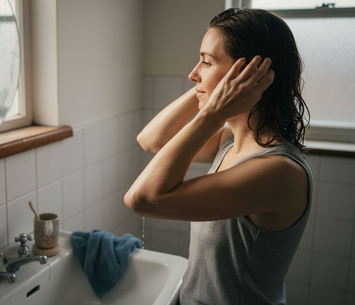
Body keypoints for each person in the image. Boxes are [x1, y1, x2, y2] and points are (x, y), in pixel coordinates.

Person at [125, 8, 312, 305]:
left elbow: (142, 199)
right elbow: (151, 140)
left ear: (247, 75)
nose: (193, 73)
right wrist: (206, 89)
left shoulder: (277, 171)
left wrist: (214, 108)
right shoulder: (229, 141)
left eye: (206, 61)